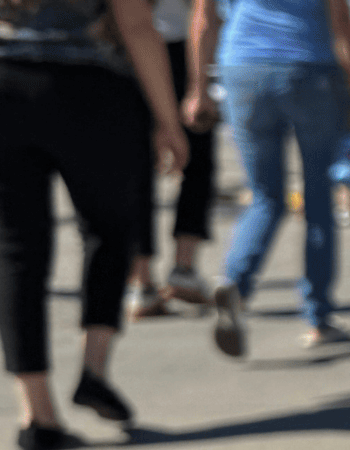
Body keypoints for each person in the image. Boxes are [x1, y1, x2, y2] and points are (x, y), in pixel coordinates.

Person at [0, 0, 188, 444]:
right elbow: (136, 23)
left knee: (16, 249)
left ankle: (38, 415)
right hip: (84, 81)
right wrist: (169, 119)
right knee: (109, 229)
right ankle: (94, 369)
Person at [186, 0, 350, 349]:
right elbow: (342, 26)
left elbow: (204, 18)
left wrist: (198, 89)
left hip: (243, 69)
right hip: (310, 67)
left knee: (265, 196)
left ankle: (235, 282)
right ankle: (318, 316)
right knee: (318, 199)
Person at [126, 0, 229, 320]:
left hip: (130, 51)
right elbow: (205, 14)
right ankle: (182, 268)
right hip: (182, 52)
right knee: (197, 162)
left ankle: (141, 284)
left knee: (135, 169)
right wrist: (199, 86)